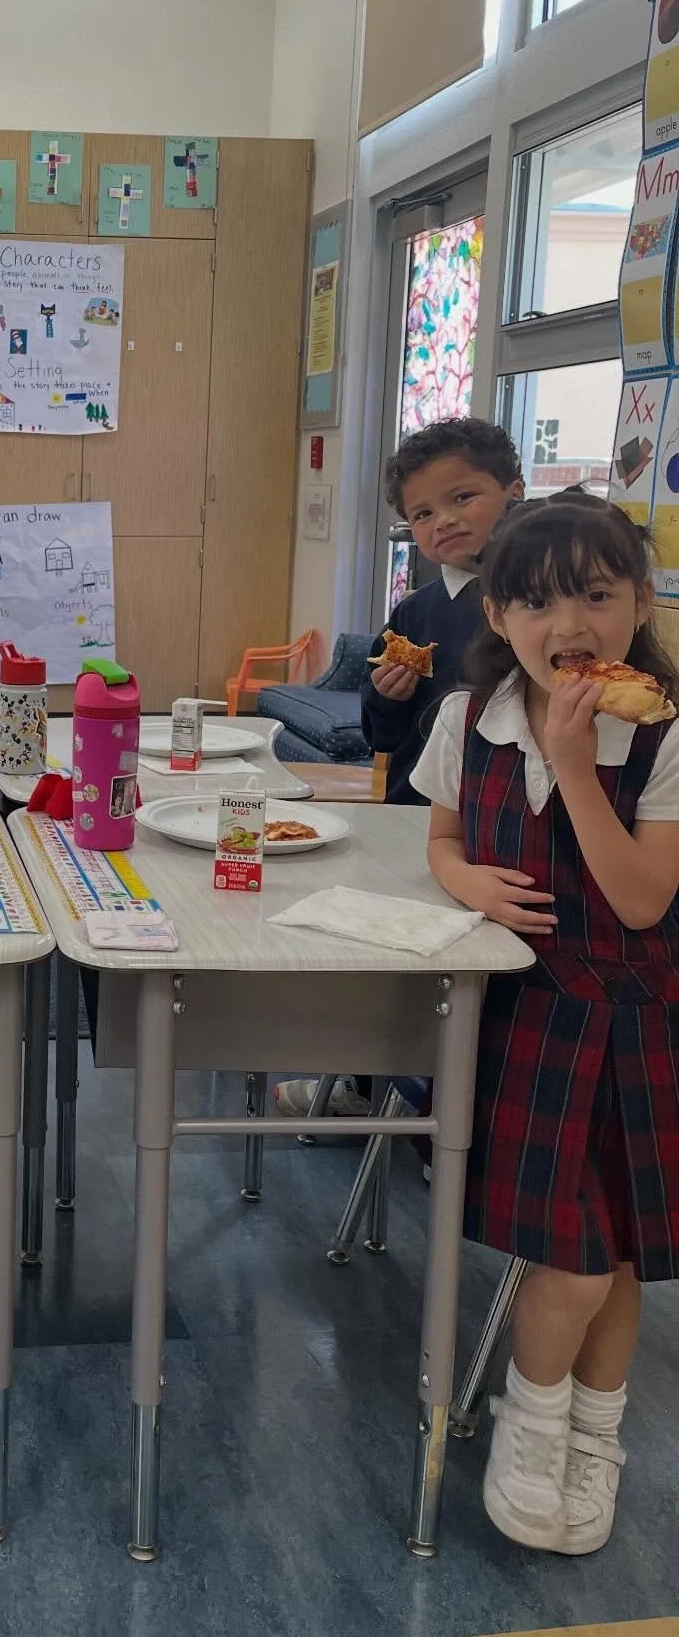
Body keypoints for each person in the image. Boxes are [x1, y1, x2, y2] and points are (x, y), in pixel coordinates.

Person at [411, 493, 679, 1554]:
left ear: (642, 603)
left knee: (614, 1258)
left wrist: (576, 765)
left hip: (637, 1021)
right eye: (535, 601)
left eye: (596, 596)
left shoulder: (660, 733)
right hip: (524, 1019)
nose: (567, 624)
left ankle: (590, 1435)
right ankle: (533, 1418)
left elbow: (645, 899)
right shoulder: (468, 718)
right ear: (498, 621)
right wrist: (469, 884)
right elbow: (438, 841)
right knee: (570, 1259)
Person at [275, 417, 525, 1120]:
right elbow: (383, 732)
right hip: (421, 809)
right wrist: (390, 696)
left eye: (463, 498)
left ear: (513, 491)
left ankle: (444, 1116)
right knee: (396, 955)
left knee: (472, 967)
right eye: (422, 513)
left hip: (498, 814)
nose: (443, 521)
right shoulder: (417, 608)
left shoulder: (539, 598)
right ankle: (365, 1084)